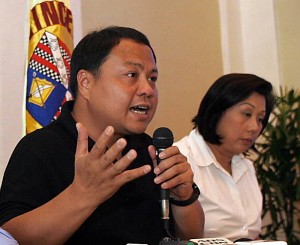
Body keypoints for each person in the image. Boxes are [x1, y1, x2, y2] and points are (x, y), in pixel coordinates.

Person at [0, 26, 204, 245]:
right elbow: (13, 237)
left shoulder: (150, 150)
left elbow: (190, 237)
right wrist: (82, 194)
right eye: (132, 75)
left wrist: (183, 197)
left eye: (152, 78)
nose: (147, 89)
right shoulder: (40, 148)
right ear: (86, 83)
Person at [174, 73, 275, 241]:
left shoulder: (246, 166)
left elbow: (250, 233)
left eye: (260, 119)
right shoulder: (179, 159)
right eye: (246, 114)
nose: (254, 127)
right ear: (217, 110)